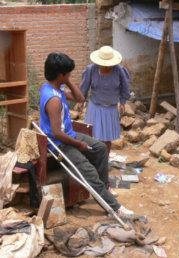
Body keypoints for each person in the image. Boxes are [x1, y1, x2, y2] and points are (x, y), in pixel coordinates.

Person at [39, 52, 133, 215]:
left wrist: (66, 80)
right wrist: (78, 144)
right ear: (60, 74)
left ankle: (103, 189)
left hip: (69, 135)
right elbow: (56, 132)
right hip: (58, 143)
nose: (71, 76)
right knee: (88, 171)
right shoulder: (53, 99)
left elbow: (80, 97)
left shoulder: (56, 87)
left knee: (101, 148)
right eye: (68, 73)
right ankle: (114, 208)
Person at [78, 46, 130, 155]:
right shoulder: (91, 70)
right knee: (93, 137)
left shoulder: (119, 70)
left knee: (107, 138)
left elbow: (125, 87)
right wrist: (81, 101)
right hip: (95, 106)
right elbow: (84, 87)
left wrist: (123, 102)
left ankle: (105, 162)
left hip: (110, 108)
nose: (106, 67)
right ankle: (93, 160)